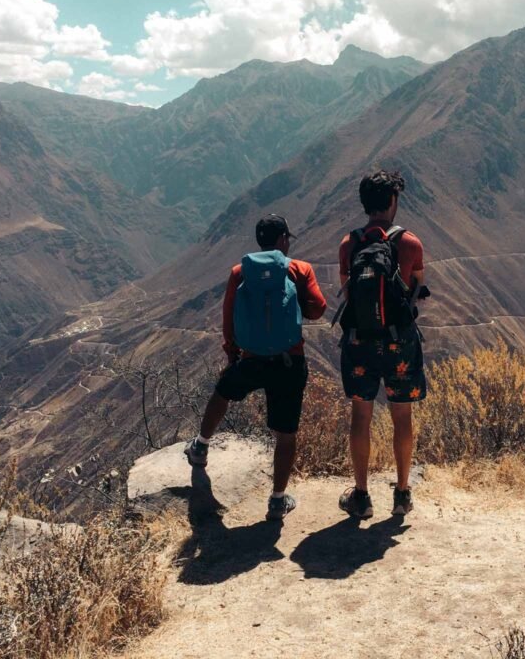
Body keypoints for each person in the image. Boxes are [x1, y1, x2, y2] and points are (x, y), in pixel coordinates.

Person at [184, 214, 327, 520]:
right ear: (282, 240)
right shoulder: (299, 270)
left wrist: (232, 355)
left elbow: (229, 318)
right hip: (290, 360)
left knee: (222, 393)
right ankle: (277, 500)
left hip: (251, 358)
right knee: (286, 433)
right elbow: (319, 308)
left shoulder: (240, 272)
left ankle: (200, 447)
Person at [336, 169, 429, 519]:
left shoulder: (349, 245)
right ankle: (402, 494)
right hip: (398, 343)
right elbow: (416, 291)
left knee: (361, 415)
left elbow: (347, 292)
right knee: (401, 416)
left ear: (364, 203)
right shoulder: (410, 244)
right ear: (392, 201)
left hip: (360, 342)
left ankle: (361, 496)